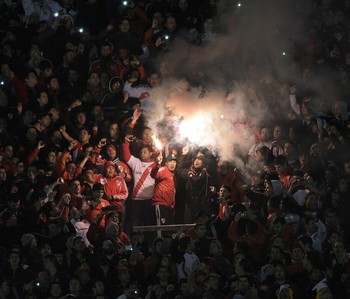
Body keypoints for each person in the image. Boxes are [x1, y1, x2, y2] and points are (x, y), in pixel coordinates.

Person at [176, 143, 217, 222]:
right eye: (196, 159)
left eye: (200, 159)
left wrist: (206, 149)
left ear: (204, 164)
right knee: (191, 228)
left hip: (204, 207)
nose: (197, 161)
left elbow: (213, 163)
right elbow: (179, 169)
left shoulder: (207, 173)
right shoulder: (189, 173)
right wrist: (184, 154)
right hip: (191, 206)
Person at [150, 153, 177, 226]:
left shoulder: (174, 175)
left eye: (174, 162)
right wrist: (157, 165)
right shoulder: (164, 169)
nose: (172, 163)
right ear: (166, 163)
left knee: (167, 230)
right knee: (160, 230)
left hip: (168, 206)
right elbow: (153, 174)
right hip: (161, 204)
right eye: (170, 161)